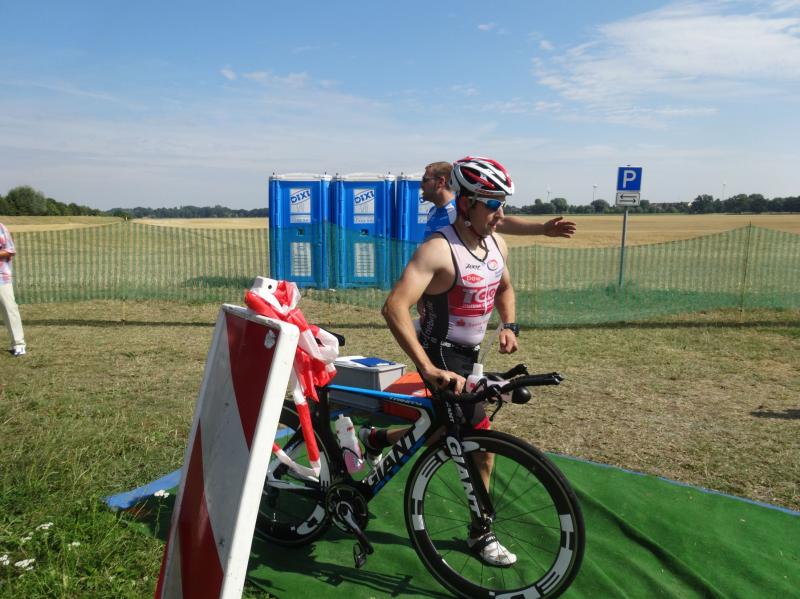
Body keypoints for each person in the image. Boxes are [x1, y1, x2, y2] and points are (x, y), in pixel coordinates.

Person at [372, 156, 521, 566]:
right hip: (441, 355)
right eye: (493, 204)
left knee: (440, 429)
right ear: (467, 203)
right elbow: (394, 307)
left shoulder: (497, 244)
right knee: (481, 447)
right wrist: (427, 367)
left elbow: (504, 288)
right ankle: (481, 532)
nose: (500, 214)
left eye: (503, 203)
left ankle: (375, 439)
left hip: (471, 357)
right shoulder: (438, 249)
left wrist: (509, 325)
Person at [420, 160, 576, 240]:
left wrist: (542, 229)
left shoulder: (461, 209)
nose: (421, 184)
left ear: (441, 182)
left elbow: (502, 222)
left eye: (425, 180)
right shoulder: (433, 211)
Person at [0, 221, 25, 357]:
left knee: (9, 309)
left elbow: (10, 250)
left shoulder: (0, 228)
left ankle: (18, 344)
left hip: (1, 277)